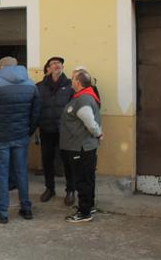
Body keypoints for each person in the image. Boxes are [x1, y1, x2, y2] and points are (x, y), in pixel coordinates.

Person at [0, 57, 40, 224]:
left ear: (2, 67)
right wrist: (28, 131)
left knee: (2, 174)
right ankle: (26, 208)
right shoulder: (31, 84)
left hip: (0, 137)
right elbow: (35, 113)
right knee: (21, 172)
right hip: (21, 136)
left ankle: (2, 212)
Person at [61, 69, 103, 223]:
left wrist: (98, 133)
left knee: (82, 180)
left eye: (73, 79)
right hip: (83, 146)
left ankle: (84, 212)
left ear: (78, 82)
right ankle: (88, 206)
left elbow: (90, 123)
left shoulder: (83, 99)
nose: (71, 81)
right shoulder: (84, 96)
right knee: (88, 178)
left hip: (81, 147)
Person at [36, 56, 75, 205]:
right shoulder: (39, 86)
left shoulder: (71, 85)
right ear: (48, 68)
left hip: (65, 130)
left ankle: (70, 190)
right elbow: (36, 107)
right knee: (47, 161)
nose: (57, 65)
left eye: (59, 63)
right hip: (46, 129)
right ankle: (49, 188)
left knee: (68, 161)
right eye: (54, 63)